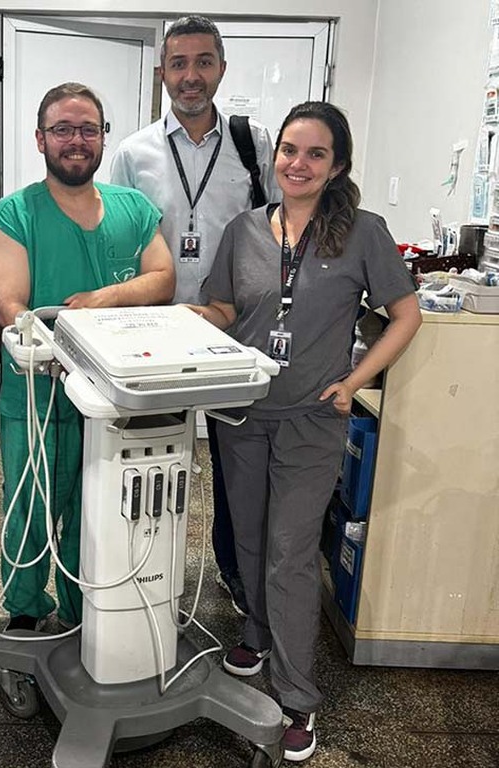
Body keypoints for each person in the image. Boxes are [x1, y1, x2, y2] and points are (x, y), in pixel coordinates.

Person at [193, 101, 421, 761]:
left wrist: (352, 383)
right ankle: (257, 634)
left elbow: (404, 316)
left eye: (314, 153)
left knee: (291, 555)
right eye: (289, 149)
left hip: (310, 422)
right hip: (240, 413)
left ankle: (296, 699)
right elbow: (221, 308)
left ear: (337, 165)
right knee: (251, 540)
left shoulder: (362, 233)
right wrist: (168, 324)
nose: (296, 163)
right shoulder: (242, 230)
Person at [0, 82, 174, 632]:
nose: (76, 140)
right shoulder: (12, 216)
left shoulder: (134, 210)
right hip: (42, 396)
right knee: (33, 513)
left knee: (103, 514)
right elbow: (14, 308)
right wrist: (71, 336)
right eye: (62, 129)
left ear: (104, 138)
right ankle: (23, 614)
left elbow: (162, 280)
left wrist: (102, 300)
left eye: (88, 129)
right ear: (40, 139)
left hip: (118, 400)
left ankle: (89, 613)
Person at [110, 15, 279, 617]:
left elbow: (280, 227)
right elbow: (120, 239)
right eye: (178, 64)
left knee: (238, 464)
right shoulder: (133, 152)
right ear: (162, 73)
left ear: (222, 68)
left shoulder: (253, 143)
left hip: (235, 328)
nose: (190, 76)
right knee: (153, 459)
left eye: (203, 62)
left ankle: (233, 572)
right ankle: (145, 575)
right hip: (156, 331)